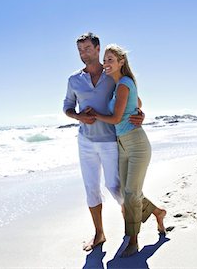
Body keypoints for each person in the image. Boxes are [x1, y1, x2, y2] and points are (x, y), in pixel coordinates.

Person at [63, 32, 146, 252]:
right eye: (80, 50)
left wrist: (140, 113)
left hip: (110, 140)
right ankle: (99, 234)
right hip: (86, 142)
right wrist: (79, 116)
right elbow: (67, 107)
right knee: (91, 189)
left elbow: (134, 99)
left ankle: (134, 225)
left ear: (98, 49)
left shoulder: (112, 74)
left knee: (115, 187)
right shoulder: (73, 80)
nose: (83, 53)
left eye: (87, 48)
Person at [87, 43, 166, 258]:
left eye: (110, 59)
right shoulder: (119, 86)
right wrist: (138, 109)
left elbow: (115, 118)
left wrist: (94, 114)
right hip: (122, 143)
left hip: (137, 144)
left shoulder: (123, 83)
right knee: (127, 192)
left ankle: (133, 240)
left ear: (122, 62)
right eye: (105, 60)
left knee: (130, 195)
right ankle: (158, 213)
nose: (106, 63)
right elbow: (138, 101)